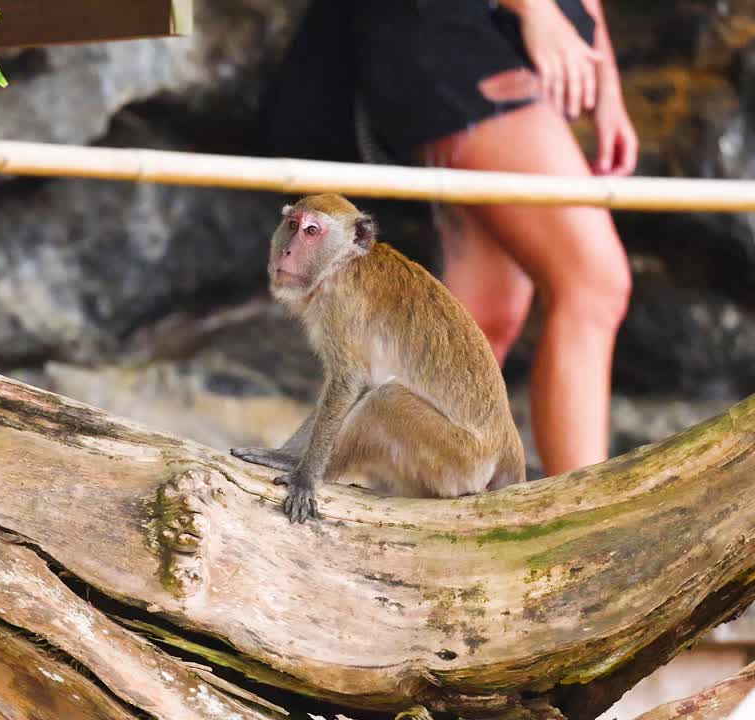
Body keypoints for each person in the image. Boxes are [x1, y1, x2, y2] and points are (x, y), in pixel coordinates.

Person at [263, 0, 637, 477]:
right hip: (458, 37)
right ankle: (584, 509)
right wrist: (537, 10)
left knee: (487, 313)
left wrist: (607, 84)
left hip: (497, 43)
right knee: (593, 284)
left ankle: (427, 497)